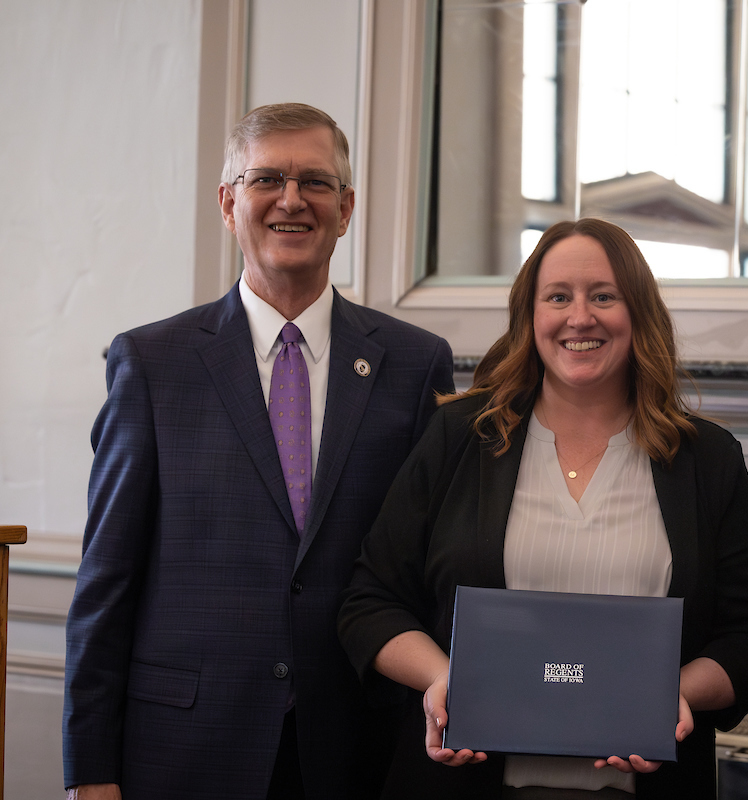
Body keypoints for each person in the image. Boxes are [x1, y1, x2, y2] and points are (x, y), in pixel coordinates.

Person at [62, 103, 454, 800]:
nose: (291, 200)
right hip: (185, 748)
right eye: (267, 177)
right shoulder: (153, 364)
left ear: (347, 207)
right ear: (228, 201)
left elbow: (428, 569)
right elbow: (106, 584)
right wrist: (90, 773)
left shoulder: (414, 364)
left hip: (357, 748)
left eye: (316, 182)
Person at [338, 217, 748, 799]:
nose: (580, 317)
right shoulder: (458, 437)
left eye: (604, 296)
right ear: (531, 316)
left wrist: (674, 692)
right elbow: (370, 601)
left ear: (639, 314)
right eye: (558, 298)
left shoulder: (708, 459)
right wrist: (444, 679)